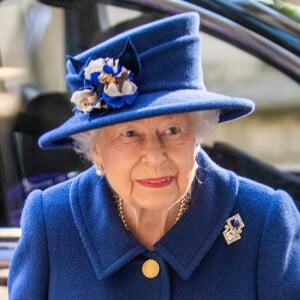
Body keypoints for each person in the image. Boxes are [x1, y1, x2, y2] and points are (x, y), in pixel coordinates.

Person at [8, 12, 300, 299]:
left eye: (173, 130)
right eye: (129, 134)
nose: (155, 156)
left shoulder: (263, 221)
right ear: (95, 148)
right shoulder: (53, 222)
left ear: (197, 133)